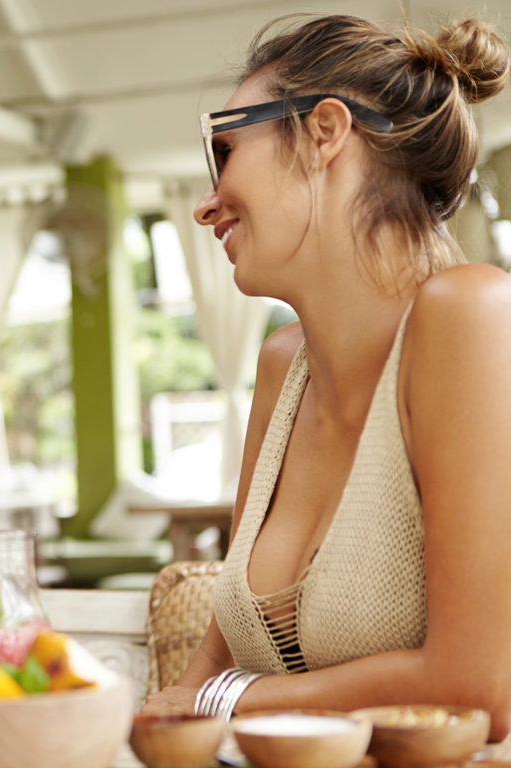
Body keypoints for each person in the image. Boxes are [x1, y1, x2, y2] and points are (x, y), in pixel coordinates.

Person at [140, 14, 511, 739]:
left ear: (324, 132)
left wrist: (225, 701)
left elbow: (478, 686)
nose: (206, 202)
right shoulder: (284, 366)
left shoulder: (472, 317)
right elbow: (207, 669)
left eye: (226, 150)